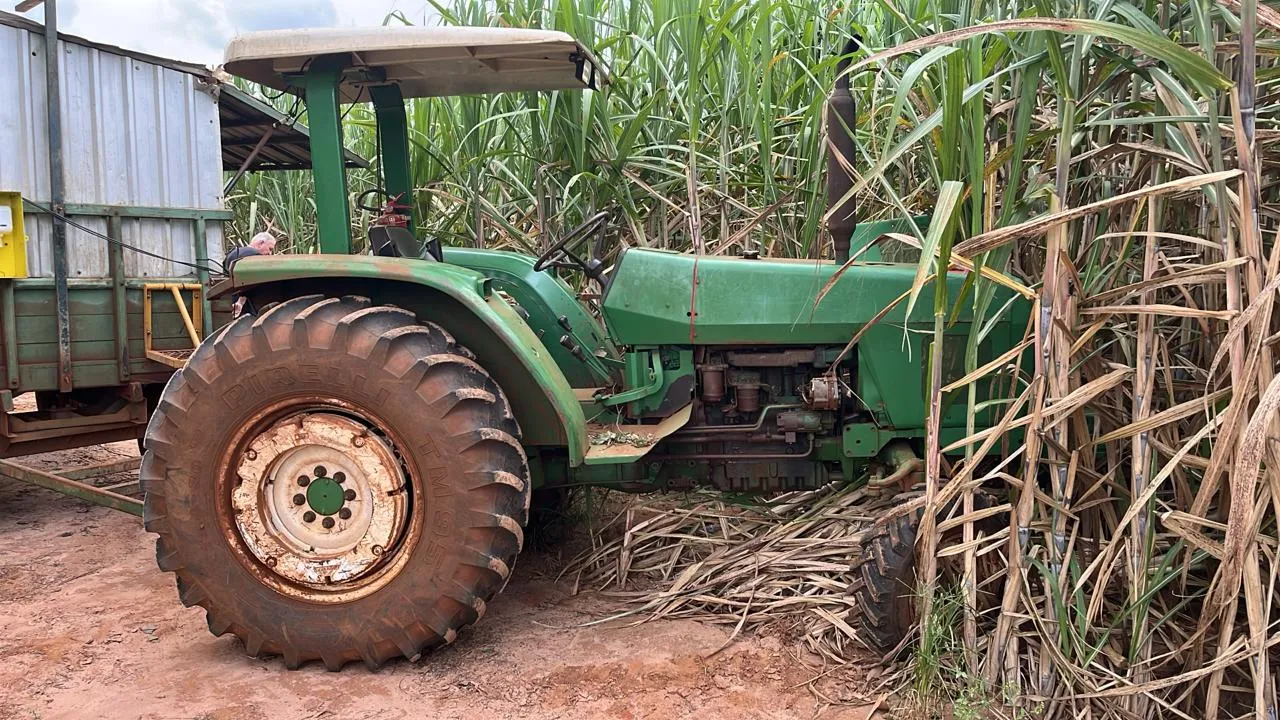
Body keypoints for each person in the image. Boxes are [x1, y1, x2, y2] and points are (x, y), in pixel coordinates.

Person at [226, 232, 278, 317]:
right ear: (261, 243)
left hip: (233, 300)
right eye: (270, 249)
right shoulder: (255, 257)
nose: (270, 253)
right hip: (247, 306)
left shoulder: (232, 254)